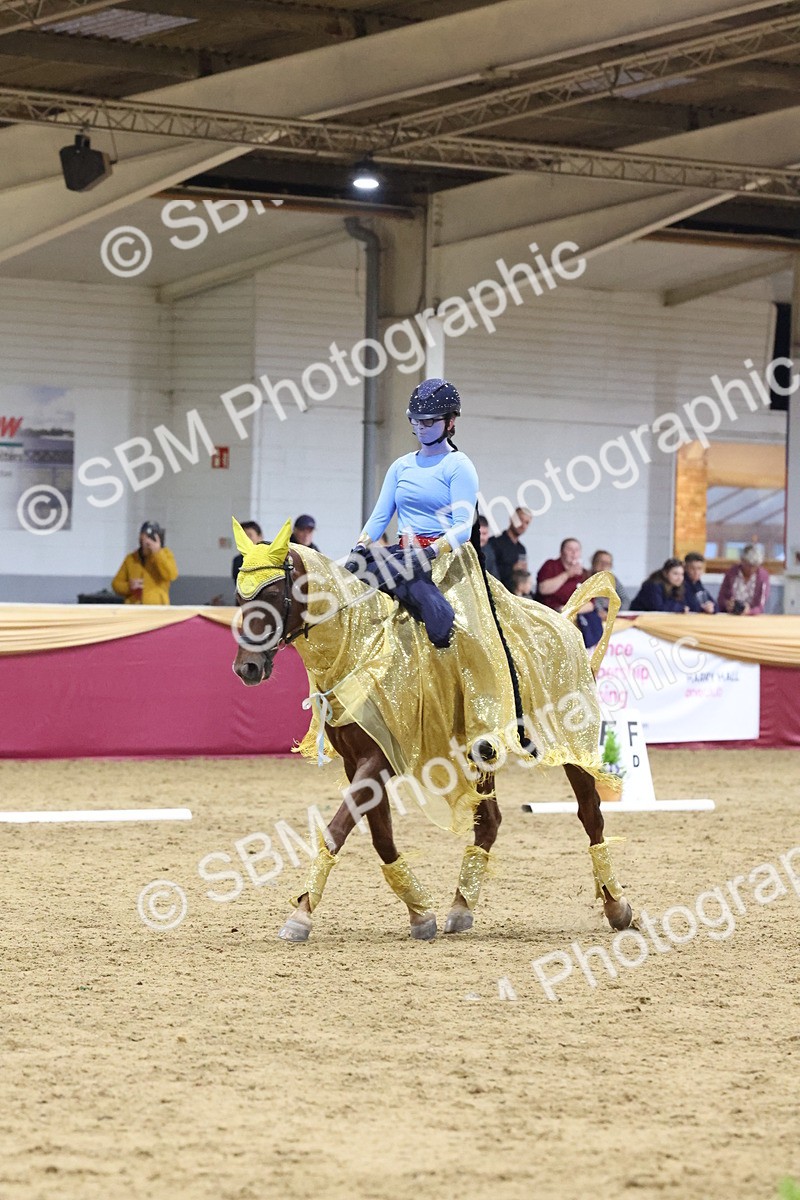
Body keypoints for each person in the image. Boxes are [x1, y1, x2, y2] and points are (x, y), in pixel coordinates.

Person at [535, 538, 602, 649]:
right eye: (570, 549)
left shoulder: (584, 574)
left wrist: (568, 609)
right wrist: (567, 574)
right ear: (561, 552)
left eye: (577, 550)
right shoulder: (551, 566)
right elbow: (543, 589)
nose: (574, 553)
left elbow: (590, 604)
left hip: (575, 620)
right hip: (550, 618)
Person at [112, 521, 178, 605]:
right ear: (140, 536)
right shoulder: (131, 558)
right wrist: (129, 587)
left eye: (151, 537)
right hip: (134, 609)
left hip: (157, 609)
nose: (147, 541)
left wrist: (157, 553)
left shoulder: (166, 554)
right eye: (145, 536)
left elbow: (171, 575)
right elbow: (116, 585)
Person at [718, 544, 770, 615]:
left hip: (752, 617)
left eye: (754, 566)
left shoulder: (763, 576)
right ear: (742, 560)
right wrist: (727, 604)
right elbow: (721, 599)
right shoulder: (731, 573)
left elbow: (760, 606)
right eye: (748, 565)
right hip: (731, 615)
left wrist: (749, 611)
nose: (751, 569)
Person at [488, 507, 531, 591]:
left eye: (527, 522)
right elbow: (488, 569)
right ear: (512, 519)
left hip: (515, 595)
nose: (523, 525)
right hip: (495, 593)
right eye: (520, 520)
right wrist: (512, 568)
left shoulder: (521, 549)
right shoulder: (494, 542)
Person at [590, 549, 630, 614]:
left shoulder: (613, 579)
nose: (604, 566)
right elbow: (593, 601)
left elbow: (625, 599)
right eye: (601, 562)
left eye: (607, 563)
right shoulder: (587, 578)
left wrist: (616, 610)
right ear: (594, 563)